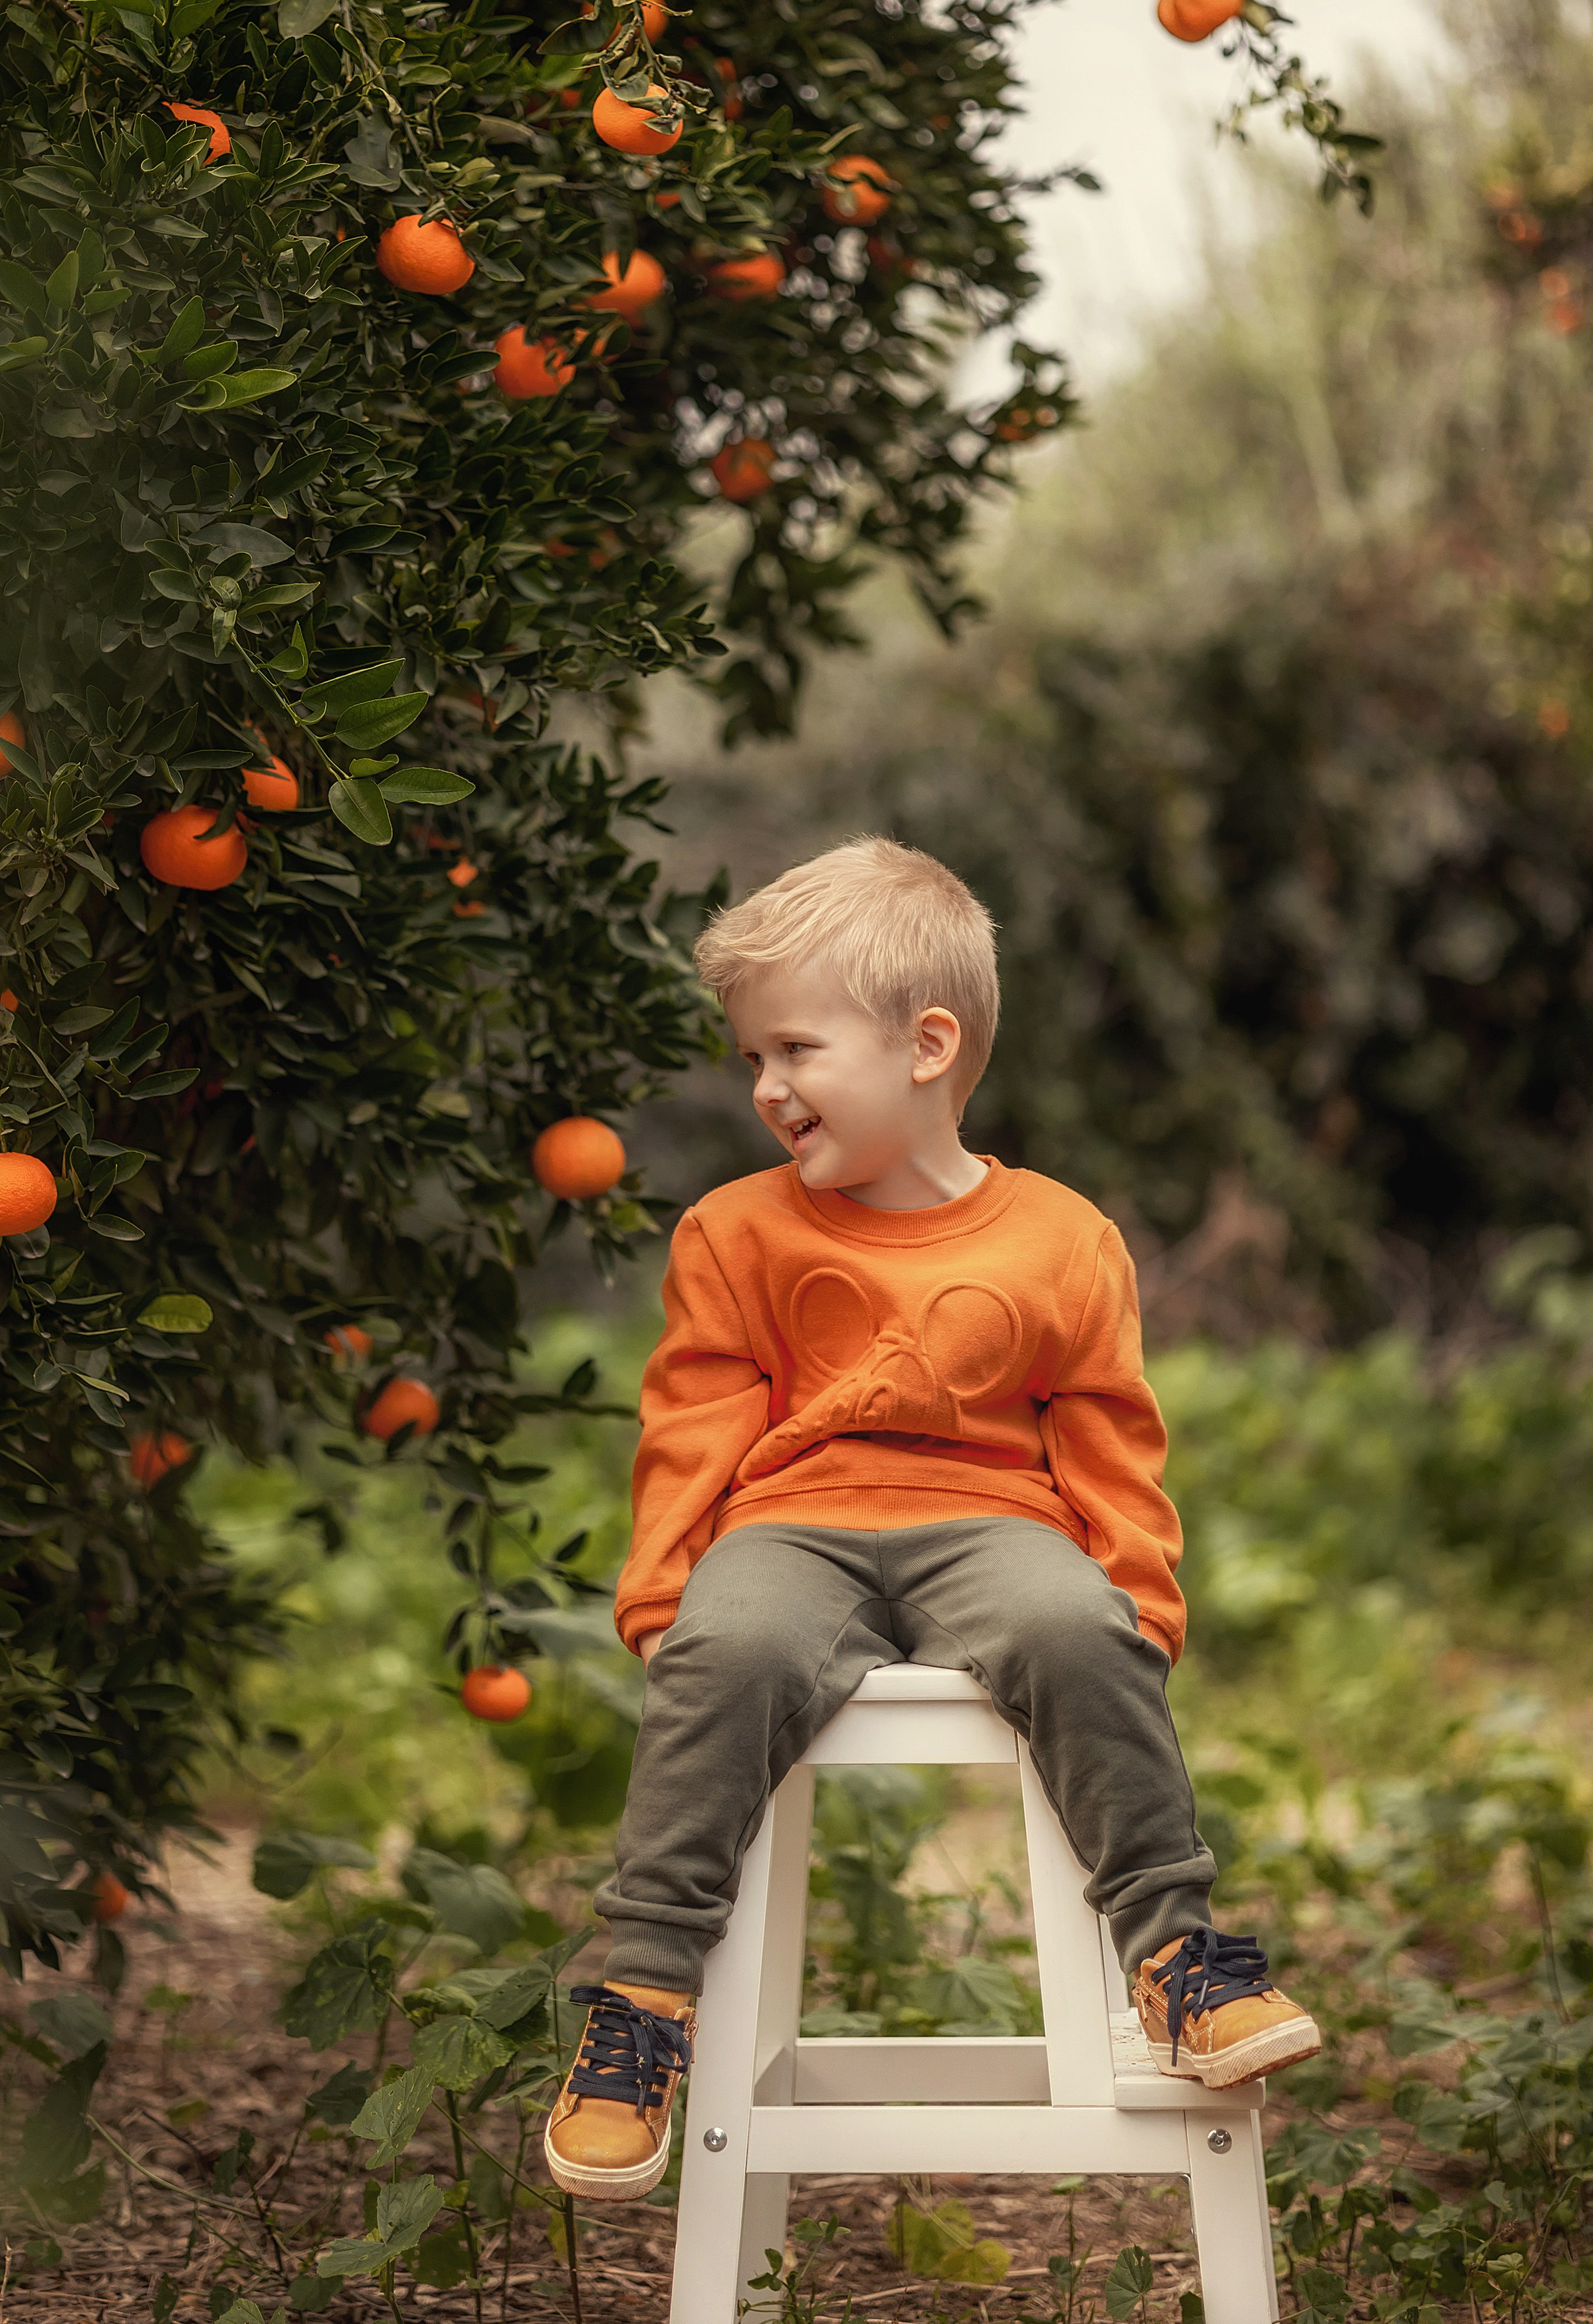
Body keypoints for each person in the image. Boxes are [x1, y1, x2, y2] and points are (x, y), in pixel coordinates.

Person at [543, 837, 1319, 2202]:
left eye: (791, 1049)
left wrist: (1134, 1587)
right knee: (730, 1652)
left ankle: (1174, 1959)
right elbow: (693, 1428)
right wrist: (664, 1594)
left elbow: (1104, 1428)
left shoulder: (1060, 1237)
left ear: (925, 1044)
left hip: (991, 1520)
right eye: (750, 1062)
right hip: (792, 1520)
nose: (765, 1089)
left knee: (1075, 1629)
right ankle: (644, 1998)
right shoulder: (731, 1234)